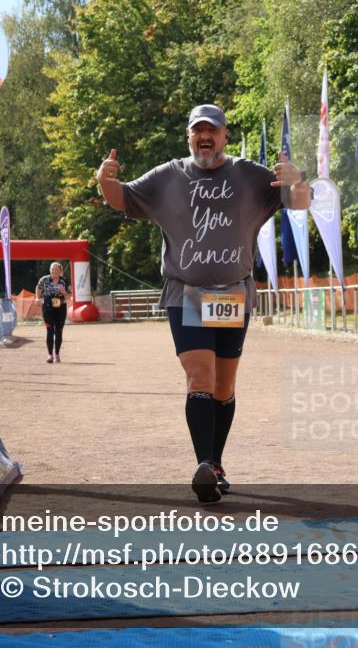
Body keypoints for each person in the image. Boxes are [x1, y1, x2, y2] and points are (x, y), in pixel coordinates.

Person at [95, 104, 311, 503]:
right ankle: (205, 465)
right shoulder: (168, 176)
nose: (205, 136)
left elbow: (299, 202)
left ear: (225, 135)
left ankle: (216, 463)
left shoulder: (250, 175)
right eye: (198, 130)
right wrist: (104, 180)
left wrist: (298, 181)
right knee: (199, 378)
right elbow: (120, 198)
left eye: (212, 130)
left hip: (233, 294)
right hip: (187, 294)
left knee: (224, 386)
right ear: (189, 137)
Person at [36, 261, 71, 363]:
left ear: (60, 271)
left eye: (56, 270)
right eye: (52, 269)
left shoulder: (64, 281)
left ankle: (57, 354)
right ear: (50, 270)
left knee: (58, 331)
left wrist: (64, 292)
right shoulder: (44, 279)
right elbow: (38, 288)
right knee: (50, 330)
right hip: (48, 307)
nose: (54, 271)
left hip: (61, 308)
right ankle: (50, 355)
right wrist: (37, 298)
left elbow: (69, 296)